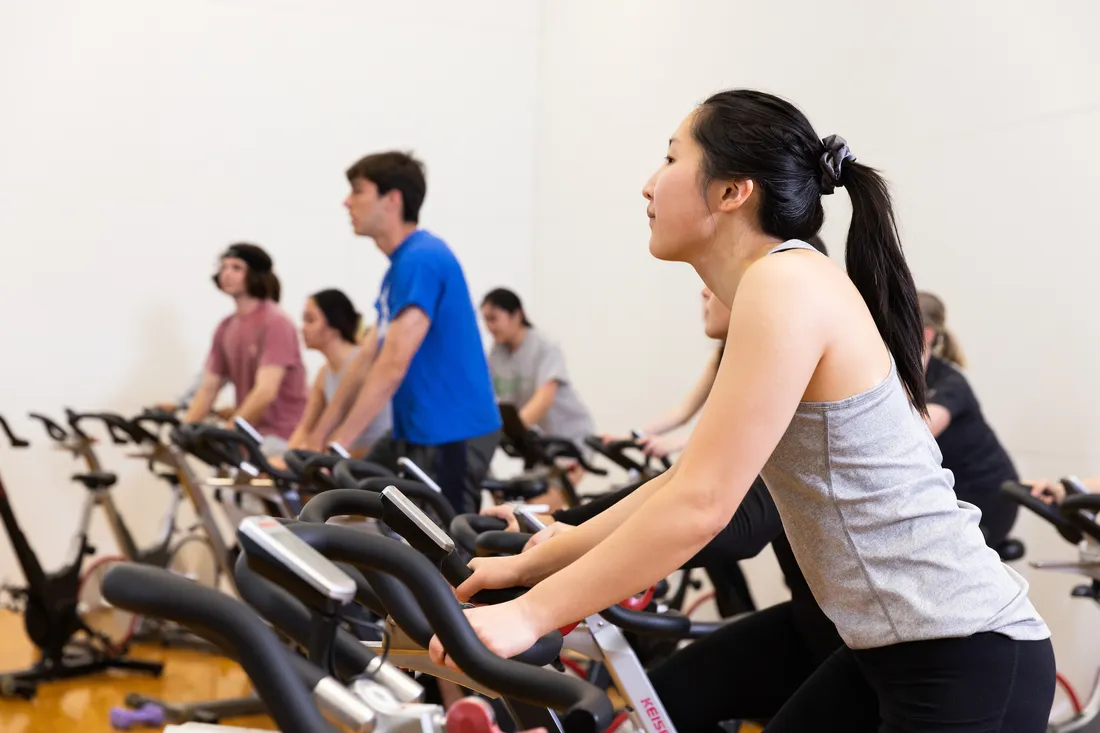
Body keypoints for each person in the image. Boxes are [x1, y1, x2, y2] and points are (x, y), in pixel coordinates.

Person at [431, 89, 1054, 731]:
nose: (648, 185)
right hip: (890, 653)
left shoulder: (783, 284)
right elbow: (686, 480)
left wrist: (530, 613)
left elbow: (702, 507)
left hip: (965, 655)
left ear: (733, 191)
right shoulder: (780, 284)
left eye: (671, 159)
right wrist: (546, 553)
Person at [304, 151, 501, 514]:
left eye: (358, 191)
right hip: (417, 431)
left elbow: (393, 362)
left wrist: (339, 443)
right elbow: (366, 359)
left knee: (448, 552)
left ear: (392, 199)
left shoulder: (421, 258)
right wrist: (319, 440)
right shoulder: (399, 267)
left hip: (452, 432)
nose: (346, 201)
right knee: (352, 504)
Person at [609, 234, 828, 459]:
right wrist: (634, 436)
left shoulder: (784, 355)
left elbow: (740, 428)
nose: (705, 292)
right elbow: (684, 412)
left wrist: (676, 444)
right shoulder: (727, 352)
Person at [184, 243, 308, 456]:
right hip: (251, 434)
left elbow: (266, 391)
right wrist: (186, 431)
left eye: (236, 268)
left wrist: (231, 430)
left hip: (281, 436)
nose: (227, 274)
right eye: (224, 267)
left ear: (255, 274)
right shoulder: (226, 327)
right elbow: (209, 387)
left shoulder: (276, 322)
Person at [919, 291, 1021, 549]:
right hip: (950, 496)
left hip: (987, 498)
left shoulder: (950, 383)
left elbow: (916, 433)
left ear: (926, 334)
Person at [281, 289, 391, 458]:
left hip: (373, 458)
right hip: (343, 457)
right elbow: (305, 427)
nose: (303, 328)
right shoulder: (323, 374)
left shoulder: (362, 366)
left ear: (334, 325)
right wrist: (286, 459)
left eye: (310, 320)